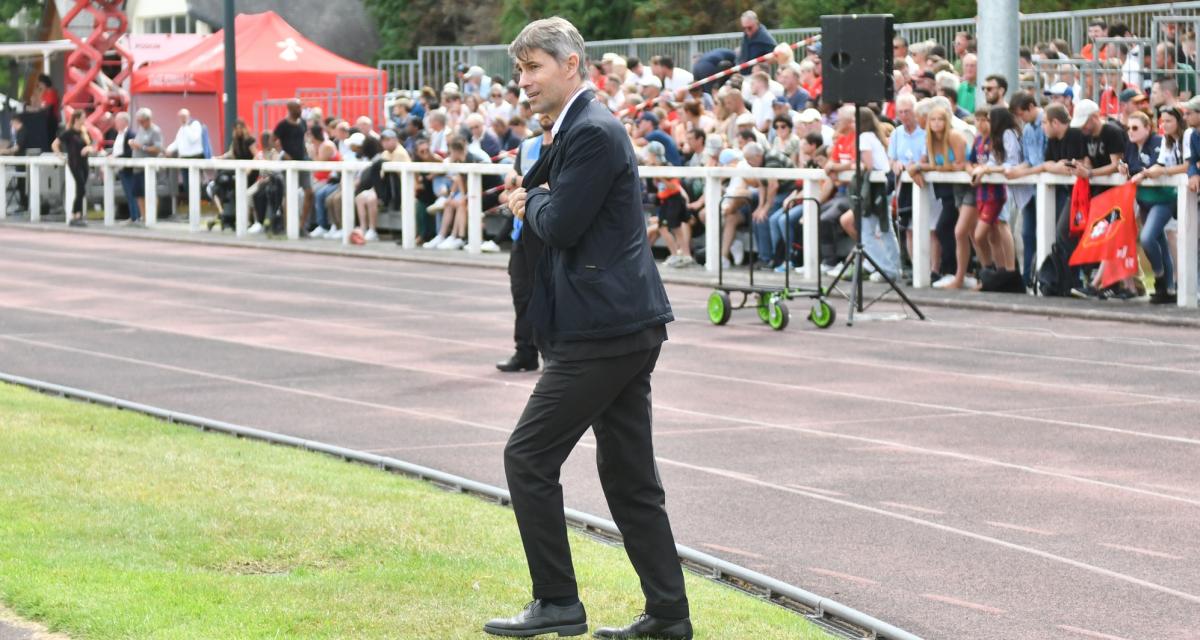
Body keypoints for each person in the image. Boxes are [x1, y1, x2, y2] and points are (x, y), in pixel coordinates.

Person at [487, 17, 690, 640]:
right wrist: (536, 192)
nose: (522, 82)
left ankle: (557, 602)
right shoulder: (579, 127)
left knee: (527, 457)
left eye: (532, 68)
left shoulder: (594, 131)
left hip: (602, 329)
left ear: (570, 64)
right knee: (629, 477)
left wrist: (528, 201)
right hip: (616, 324)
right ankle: (668, 616)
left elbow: (562, 223)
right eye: (520, 70)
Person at [274, 100, 313, 230]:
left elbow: (304, 139)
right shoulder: (283, 125)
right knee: (289, 194)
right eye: (297, 107)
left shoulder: (302, 122)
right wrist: (283, 154)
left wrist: (307, 153)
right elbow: (272, 140)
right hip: (289, 164)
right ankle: (288, 225)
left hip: (303, 161)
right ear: (290, 108)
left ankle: (302, 225)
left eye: (300, 107)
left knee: (309, 192)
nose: (300, 110)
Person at [52, 110, 93, 227]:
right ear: (77, 119)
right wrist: (60, 156)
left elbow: (91, 145)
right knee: (81, 188)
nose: (84, 120)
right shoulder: (69, 132)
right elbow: (55, 144)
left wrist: (88, 149)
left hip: (84, 163)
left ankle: (77, 214)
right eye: (83, 118)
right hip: (74, 163)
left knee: (81, 188)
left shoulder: (84, 132)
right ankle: (76, 214)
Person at [128, 108, 163, 223]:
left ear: (148, 119)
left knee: (150, 192)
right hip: (138, 167)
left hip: (149, 169)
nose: (140, 124)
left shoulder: (155, 131)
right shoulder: (140, 129)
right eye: (139, 122)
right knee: (139, 193)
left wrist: (142, 147)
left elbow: (158, 148)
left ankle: (152, 216)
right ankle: (144, 217)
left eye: (142, 121)